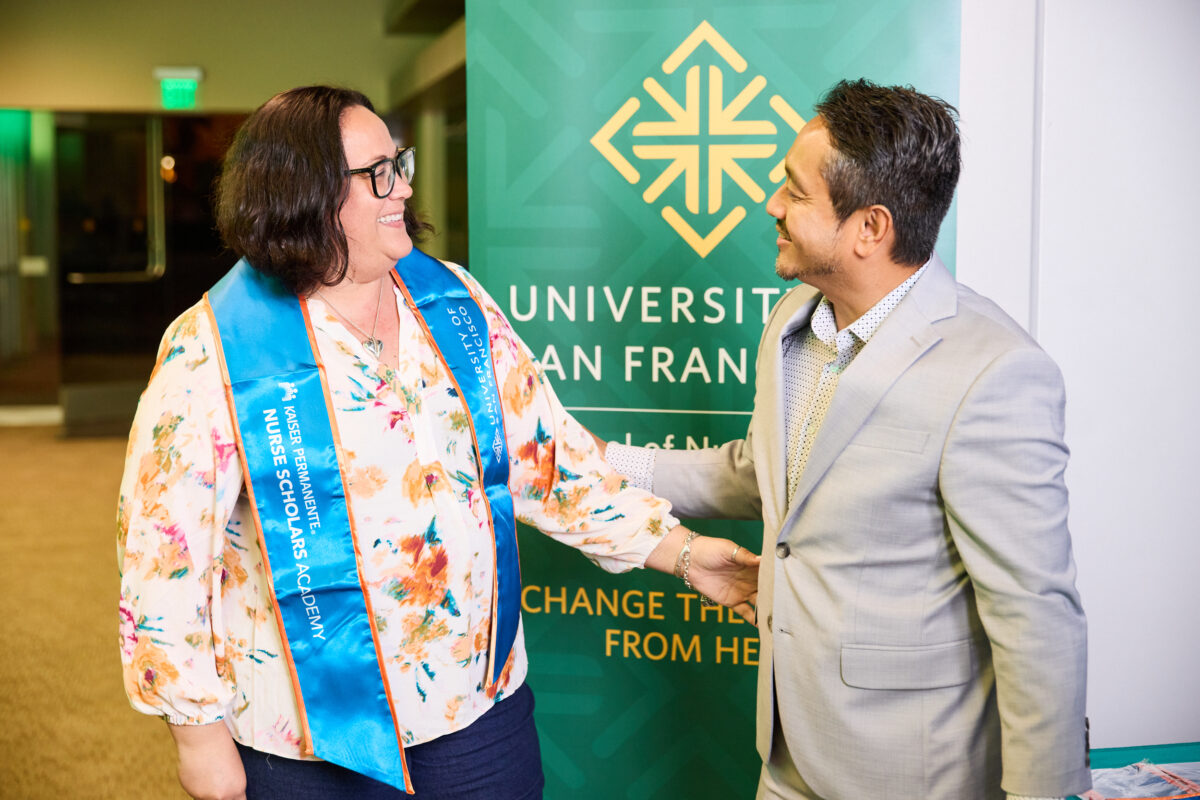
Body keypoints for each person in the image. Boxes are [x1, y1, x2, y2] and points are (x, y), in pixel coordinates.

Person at [116, 85, 759, 800]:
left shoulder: (451, 299)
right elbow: (162, 557)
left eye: (401, 163)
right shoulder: (214, 349)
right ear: (305, 193)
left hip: (478, 708)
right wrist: (198, 738)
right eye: (380, 173)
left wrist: (684, 553)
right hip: (309, 737)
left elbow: (548, 461)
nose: (405, 187)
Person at [604, 79, 1090, 800]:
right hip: (785, 754)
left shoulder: (995, 373)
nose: (772, 205)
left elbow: (1034, 618)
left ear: (870, 228)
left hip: (913, 777)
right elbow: (765, 474)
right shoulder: (793, 323)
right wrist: (601, 463)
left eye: (795, 194)